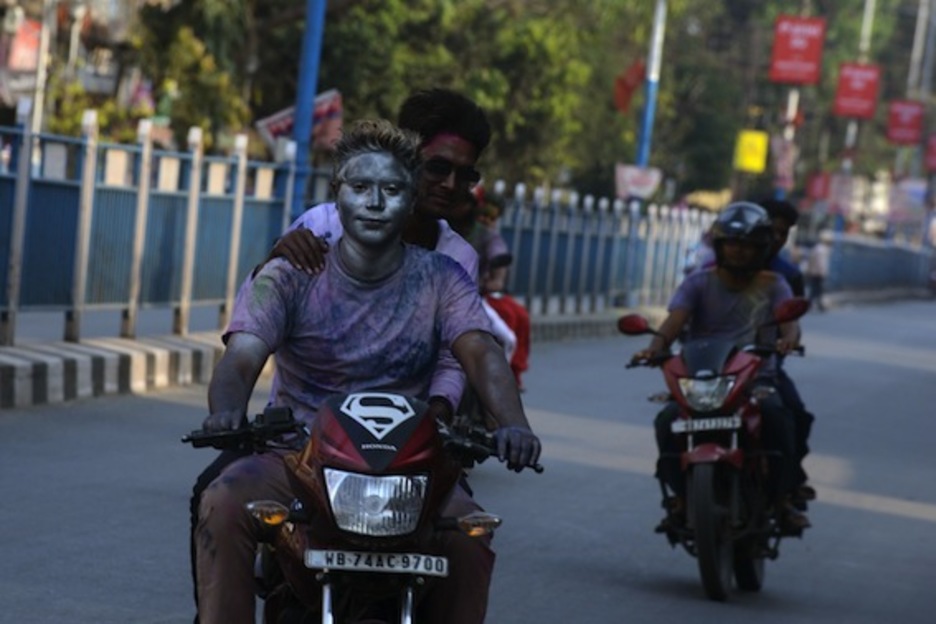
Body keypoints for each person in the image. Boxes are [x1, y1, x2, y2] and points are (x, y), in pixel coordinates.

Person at [193, 119, 542, 624]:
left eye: (392, 190)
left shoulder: (443, 278)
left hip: (409, 467)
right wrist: (225, 412)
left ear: (412, 198)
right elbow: (242, 357)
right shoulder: (289, 275)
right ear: (338, 196)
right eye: (360, 188)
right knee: (222, 502)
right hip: (300, 456)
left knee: (470, 534)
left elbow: (481, 352)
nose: (375, 203)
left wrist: (514, 423)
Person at [631, 202, 809, 533]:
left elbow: (790, 324)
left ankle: (783, 498)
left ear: (761, 248)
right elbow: (673, 323)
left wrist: (788, 340)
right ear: (720, 245)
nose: (739, 252)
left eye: (747, 245)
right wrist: (653, 348)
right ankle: (681, 498)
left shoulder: (775, 284)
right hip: (704, 380)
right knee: (667, 421)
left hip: (757, 380)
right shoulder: (698, 283)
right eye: (732, 243)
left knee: (780, 417)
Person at [757, 198, 816, 505]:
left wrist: (787, 340)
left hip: (761, 368)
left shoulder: (785, 277)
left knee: (793, 415)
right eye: (771, 231)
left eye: (783, 233)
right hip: (714, 366)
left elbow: (792, 324)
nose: (776, 239)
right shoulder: (709, 272)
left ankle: (787, 488)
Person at [467, 193, 531, 390]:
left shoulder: (490, 239)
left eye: (491, 217)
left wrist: (490, 282)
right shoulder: (451, 231)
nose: (485, 220)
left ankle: (501, 384)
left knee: (508, 337)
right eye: (482, 214)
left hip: (473, 300)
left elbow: (499, 272)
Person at [806, 231, 831, 312]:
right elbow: (820, 263)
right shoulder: (821, 249)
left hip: (815, 272)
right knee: (816, 289)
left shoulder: (818, 248)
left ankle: (818, 304)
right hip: (818, 272)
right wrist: (822, 272)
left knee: (816, 289)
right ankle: (817, 305)